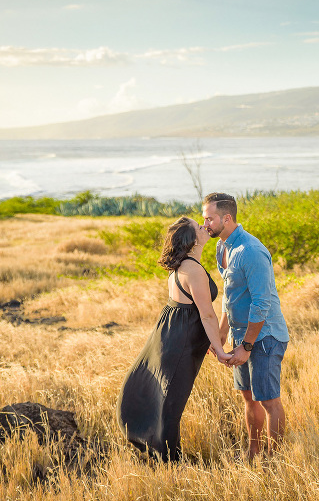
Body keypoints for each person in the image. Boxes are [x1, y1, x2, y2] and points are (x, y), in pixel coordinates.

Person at [117, 217, 233, 462]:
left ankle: (159, 452)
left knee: (166, 396)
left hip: (172, 335)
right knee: (171, 401)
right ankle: (169, 460)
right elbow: (207, 314)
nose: (204, 227)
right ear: (192, 240)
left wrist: (212, 340)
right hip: (180, 343)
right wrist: (220, 350)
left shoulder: (183, 266)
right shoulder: (192, 270)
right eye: (199, 227)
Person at [202, 192, 290, 461]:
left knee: (269, 400)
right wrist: (221, 334)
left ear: (226, 218)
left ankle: (274, 460)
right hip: (242, 335)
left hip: (264, 336)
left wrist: (247, 346)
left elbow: (261, 304)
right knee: (249, 398)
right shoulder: (222, 247)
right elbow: (231, 296)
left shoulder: (250, 251)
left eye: (209, 218)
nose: (204, 224)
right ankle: (253, 452)